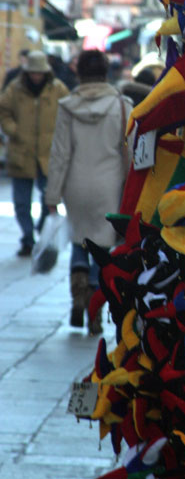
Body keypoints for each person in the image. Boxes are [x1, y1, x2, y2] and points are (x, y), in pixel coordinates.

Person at [45, 49, 132, 334]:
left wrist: (52, 197)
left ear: (79, 73)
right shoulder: (122, 106)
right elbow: (129, 153)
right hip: (110, 186)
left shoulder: (67, 106)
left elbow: (59, 154)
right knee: (103, 247)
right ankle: (95, 300)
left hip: (75, 186)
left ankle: (78, 287)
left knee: (79, 240)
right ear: (106, 73)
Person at [0, 50, 69, 256]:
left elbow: (68, 112)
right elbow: (3, 111)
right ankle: (27, 238)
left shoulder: (57, 89)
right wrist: (13, 130)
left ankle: (40, 231)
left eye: (39, 73)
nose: (36, 76)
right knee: (21, 202)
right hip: (21, 153)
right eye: (33, 72)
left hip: (47, 155)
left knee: (49, 198)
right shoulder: (15, 89)